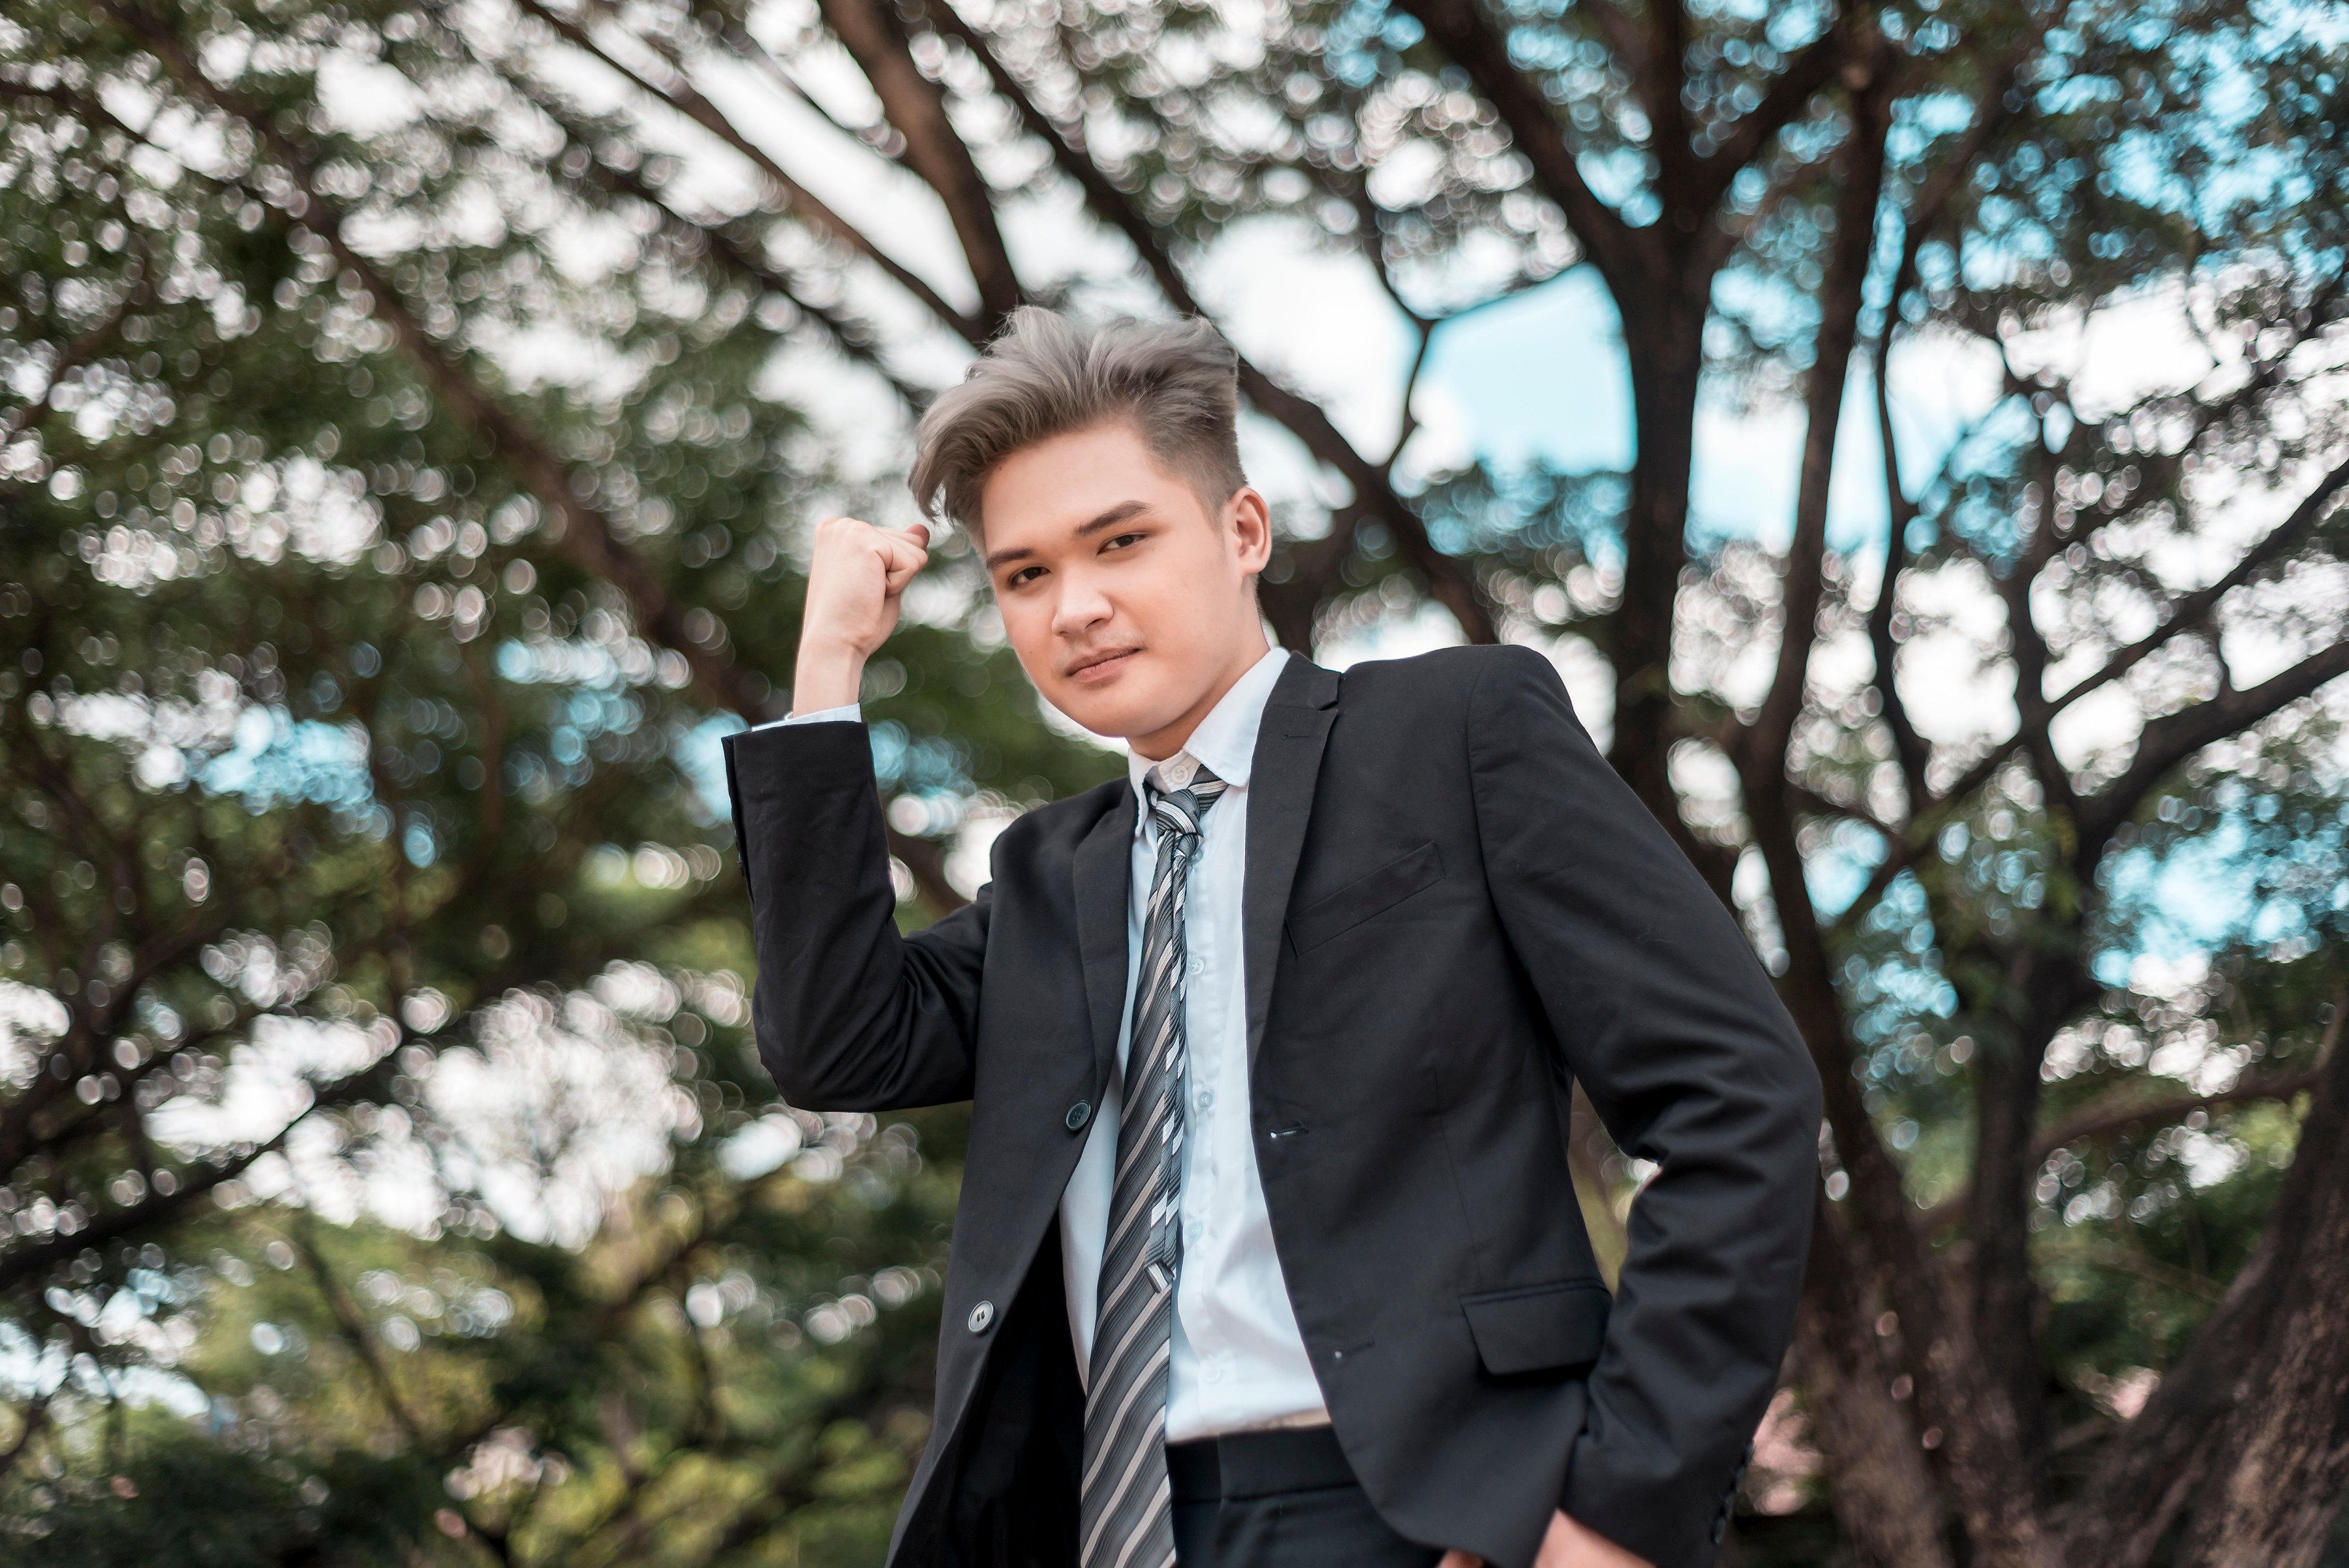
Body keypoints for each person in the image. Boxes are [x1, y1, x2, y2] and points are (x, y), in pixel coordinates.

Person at [721, 309, 1822, 1568]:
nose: (1076, 606)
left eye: (1121, 541)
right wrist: (827, 674)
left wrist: (1618, 1513)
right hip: (1106, 1525)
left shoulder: (1453, 733)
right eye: (1026, 574)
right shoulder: (1046, 875)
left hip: (1426, 1509)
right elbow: (834, 1046)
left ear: (1242, 531)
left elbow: (1738, 1099)